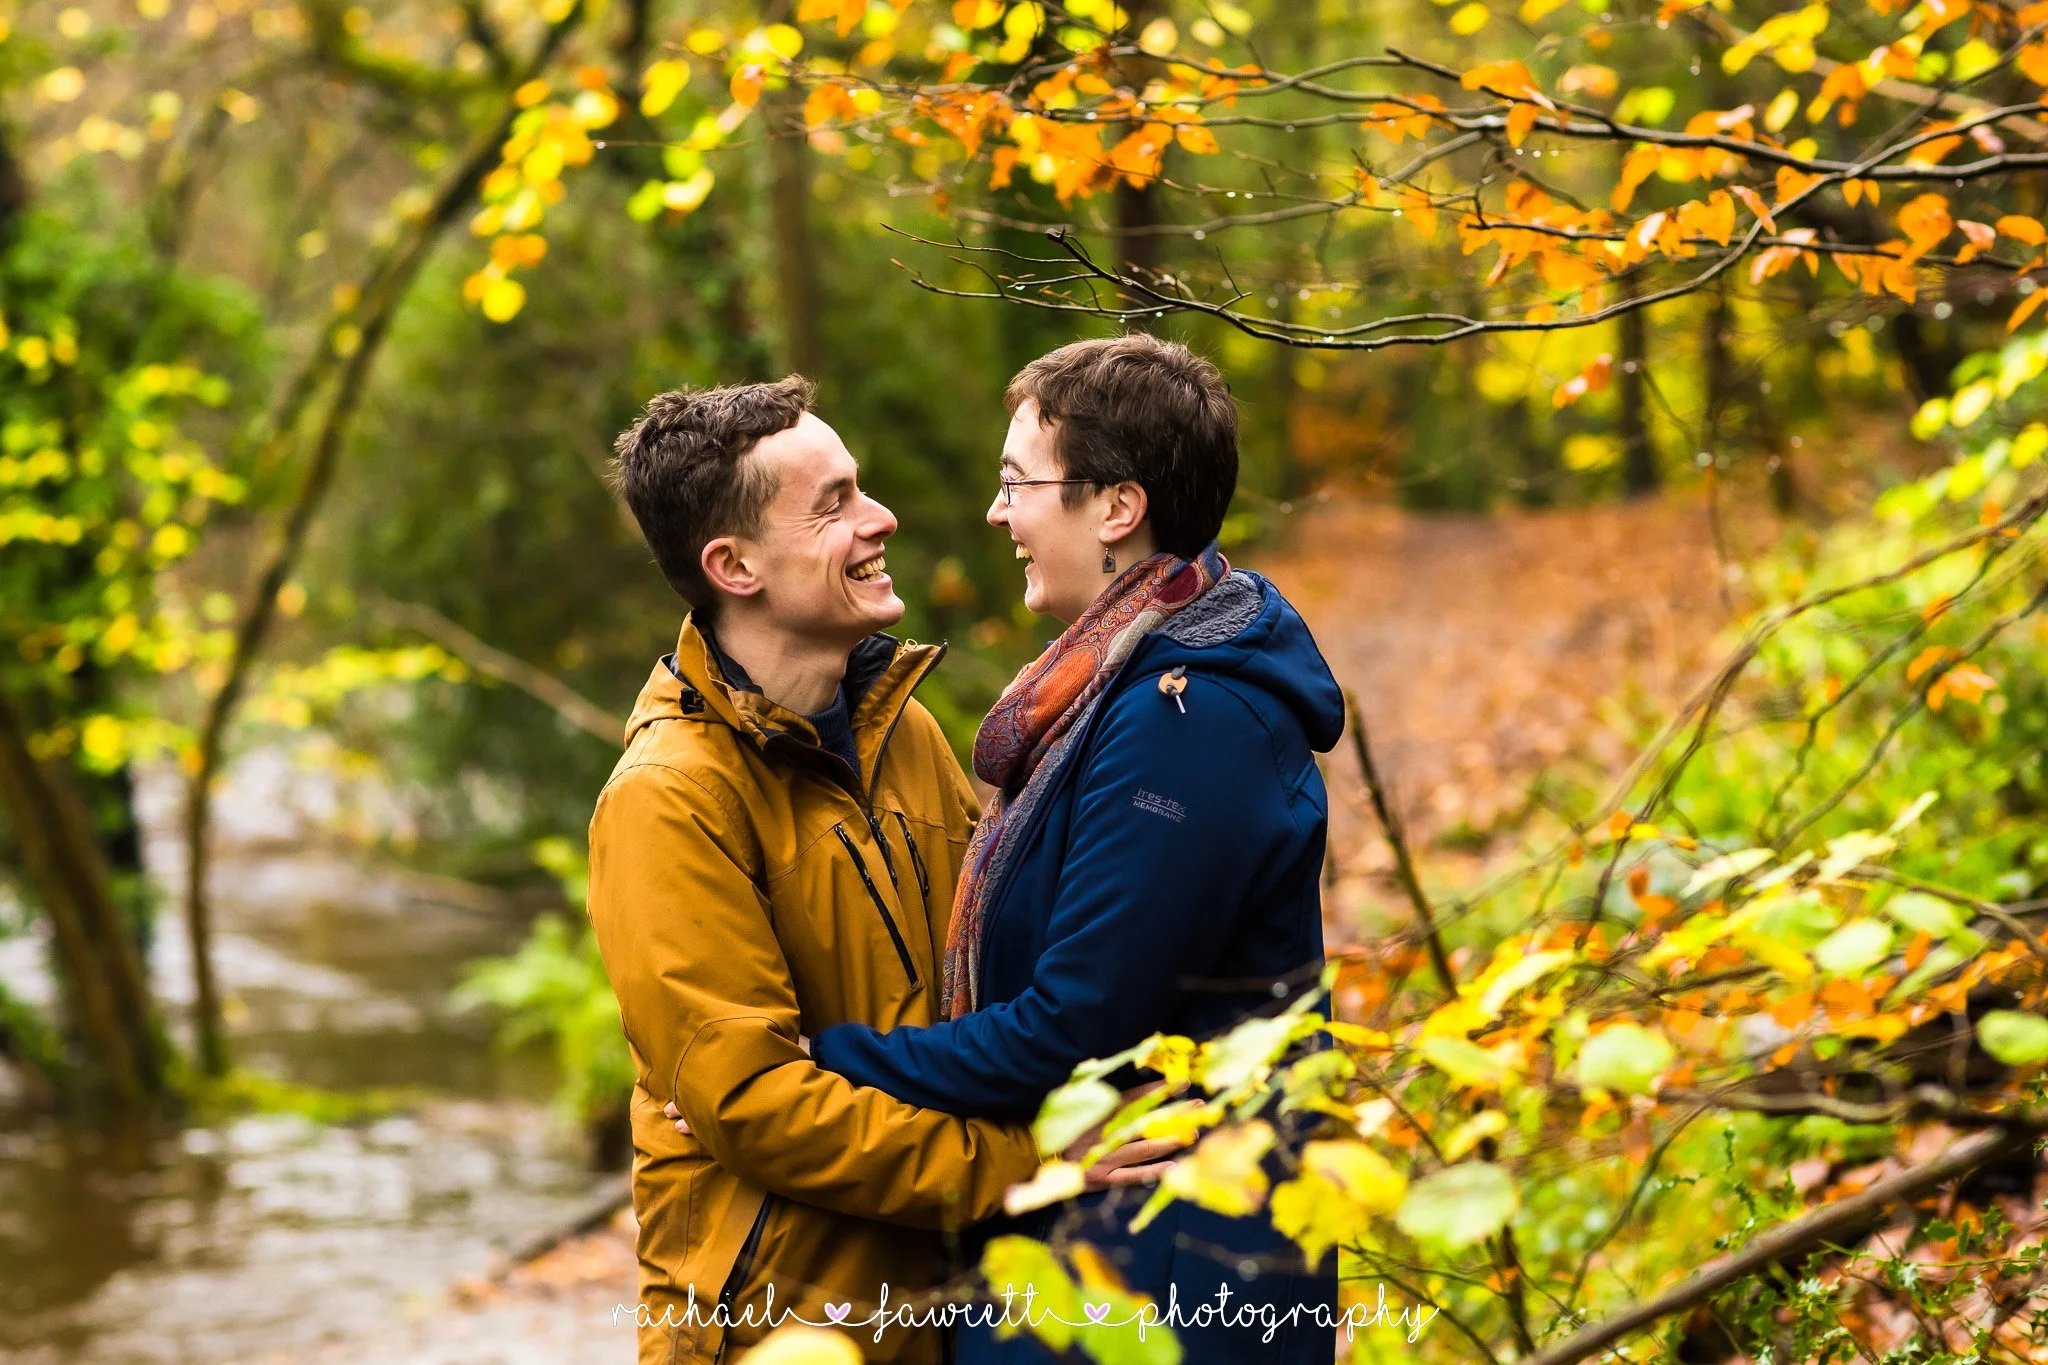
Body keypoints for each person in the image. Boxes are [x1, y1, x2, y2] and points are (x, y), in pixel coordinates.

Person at [588, 377, 1170, 1365]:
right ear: (733, 565)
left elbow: (998, 973)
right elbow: (756, 1108)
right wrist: (1026, 1164)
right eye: (833, 504)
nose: (880, 518)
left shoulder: (907, 735)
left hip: (948, 1301)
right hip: (782, 1326)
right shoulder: (668, 798)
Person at [803, 334, 1346, 1365]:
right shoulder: (1120, 695)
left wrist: (815, 1064)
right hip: (1113, 1245)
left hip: (1170, 1267)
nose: (995, 512)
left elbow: (1071, 1028)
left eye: (1019, 484)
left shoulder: (1187, 718)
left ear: (1115, 508)